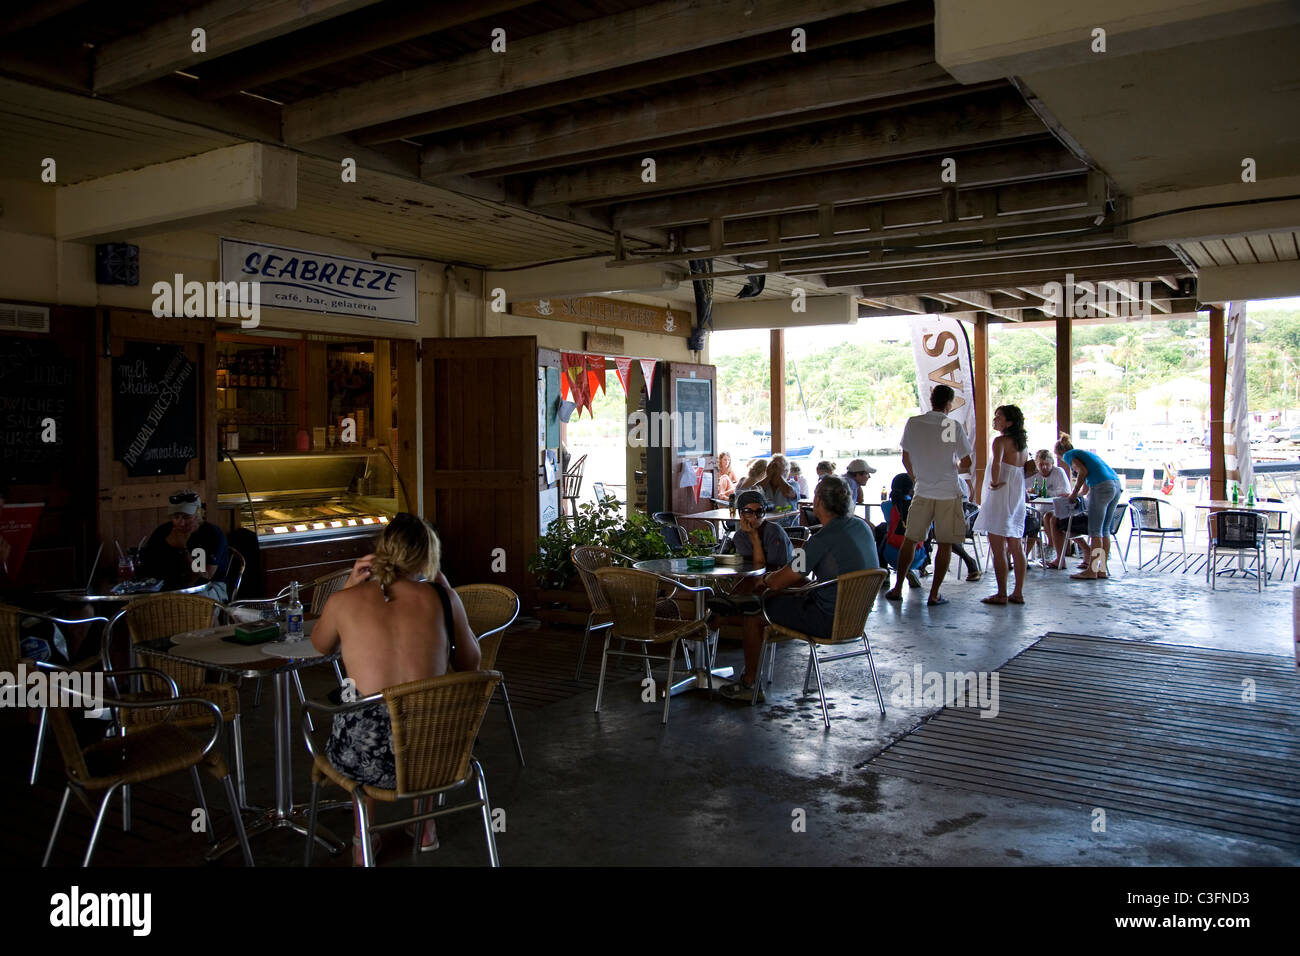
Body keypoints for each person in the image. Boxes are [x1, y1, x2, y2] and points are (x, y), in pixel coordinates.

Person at [311, 512, 481, 862]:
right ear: (428, 557)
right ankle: (426, 828)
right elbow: (471, 663)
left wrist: (347, 587)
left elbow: (320, 645)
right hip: (439, 754)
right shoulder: (443, 598)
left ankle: (363, 840)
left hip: (367, 762)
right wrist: (445, 589)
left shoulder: (345, 602)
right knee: (426, 710)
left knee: (362, 712)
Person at [719, 476, 878, 702]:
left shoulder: (820, 539)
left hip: (827, 620)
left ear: (820, 502)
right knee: (786, 597)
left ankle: (749, 682)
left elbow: (780, 580)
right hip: (857, 618)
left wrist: (766, 579)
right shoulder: (861, 526)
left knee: (754, 613)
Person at [885, 385, 973, 606]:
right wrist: (951, 466)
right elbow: (967, 462)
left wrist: (917, 478)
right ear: (948, 404)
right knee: (945, 543)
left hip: (922, 491)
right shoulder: (951, 426)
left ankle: (897, 588)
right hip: (948, 492)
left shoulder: (914, 423)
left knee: (910, 539)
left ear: (931, 400)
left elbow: (905, 458)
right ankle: (934, 594)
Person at [974, 405, 1029, 605]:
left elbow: (997, 463)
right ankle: (1018, 592)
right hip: (1016, 496)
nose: (995, 420)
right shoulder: (1022, 445)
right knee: (1016, 545)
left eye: (999, 417)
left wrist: (995, 482)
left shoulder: (1000, 441)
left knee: (998, 547)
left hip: (1000, 495)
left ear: (1009, 422)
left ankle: (1001, 593)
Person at [141, 490, 230, 598]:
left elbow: (204, 577)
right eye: (176, 517)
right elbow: (149, 566)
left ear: (198, 514)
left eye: (186, 517)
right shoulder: (163, 531)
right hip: (170, 585)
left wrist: (182, 549)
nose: (181, 523)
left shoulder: (211, 534)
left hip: (209, 587)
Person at [1058, 436, 1123, 580]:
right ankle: (1101, 569)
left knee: (1095, 531)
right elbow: (1087, 484)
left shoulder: (1069, 455)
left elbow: (1082, 472)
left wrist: (1073, 493)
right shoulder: (1085, 454)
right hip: (1116, 485)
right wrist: (1076, 493)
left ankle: (1091, 571)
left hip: (1101, 487)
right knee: (1105, 530)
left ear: (1060, 454)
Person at [1034, 448, 1086, 569]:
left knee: (1051, 518)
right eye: (1041, 465)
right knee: (1041, 518)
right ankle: (1054, 553)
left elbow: (1064, 491)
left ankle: (1053, 549)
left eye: (1047, 464)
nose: (1044, 467)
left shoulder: (1058, 472)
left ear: (1052, 463)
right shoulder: (1034, 475)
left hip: (1061, 509)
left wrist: (1044, 492)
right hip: (1040, 510)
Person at [879, 473, 927, 589]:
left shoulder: (886, 505)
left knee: (880, 532)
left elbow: (890, 522)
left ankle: (885, 574)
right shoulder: (919, 505)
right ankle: (918, 569)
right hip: (918, 556)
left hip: (891, 554)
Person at [756, 458, 799, 526]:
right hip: (766, 525)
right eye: (772, 466)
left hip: (787, 527)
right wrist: (769, 476)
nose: (774, 469)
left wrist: (779, 474)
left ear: (785, 471)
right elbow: (755, 491)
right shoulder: (765, 485)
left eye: (776, 467)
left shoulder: (793, 484)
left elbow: (788, 493)